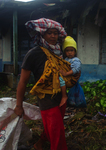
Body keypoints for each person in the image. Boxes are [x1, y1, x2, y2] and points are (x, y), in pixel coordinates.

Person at [14, 18, 79, 150]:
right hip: (46, 99)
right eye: (49, 33)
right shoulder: (33, 54)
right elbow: (23, 82)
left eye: (55, 33)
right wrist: (18, 105)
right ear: (42, 34)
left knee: (56, 126)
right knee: (57, 133)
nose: (53, 36)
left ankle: (39, 144)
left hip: (61, 96)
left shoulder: (58, 52)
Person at [59, 36, 81, 107]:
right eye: (67, 51)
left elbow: (76, 69)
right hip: (67, 79)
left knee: (74, 93)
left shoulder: (76, 60)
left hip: (71, 79)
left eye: (71, 50)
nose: (69, 52)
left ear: (75, 51)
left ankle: (64, 96)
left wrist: (66, 73)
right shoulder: (65, 59)